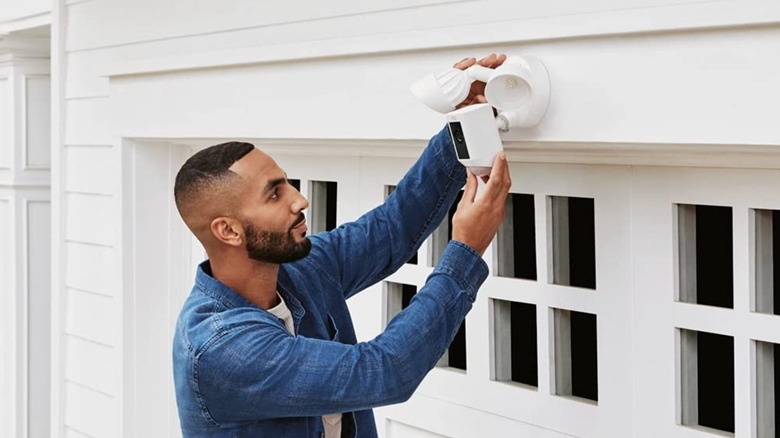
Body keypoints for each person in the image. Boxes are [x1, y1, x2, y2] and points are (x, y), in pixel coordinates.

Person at [172, 54, 511, 438]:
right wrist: (465, 251)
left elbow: (392, 228)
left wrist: (464, 123)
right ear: (228, 231)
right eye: (274, 194)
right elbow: (385, 371)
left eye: (287, 183)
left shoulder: (300, 269)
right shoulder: (222, 348)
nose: (299, 200)